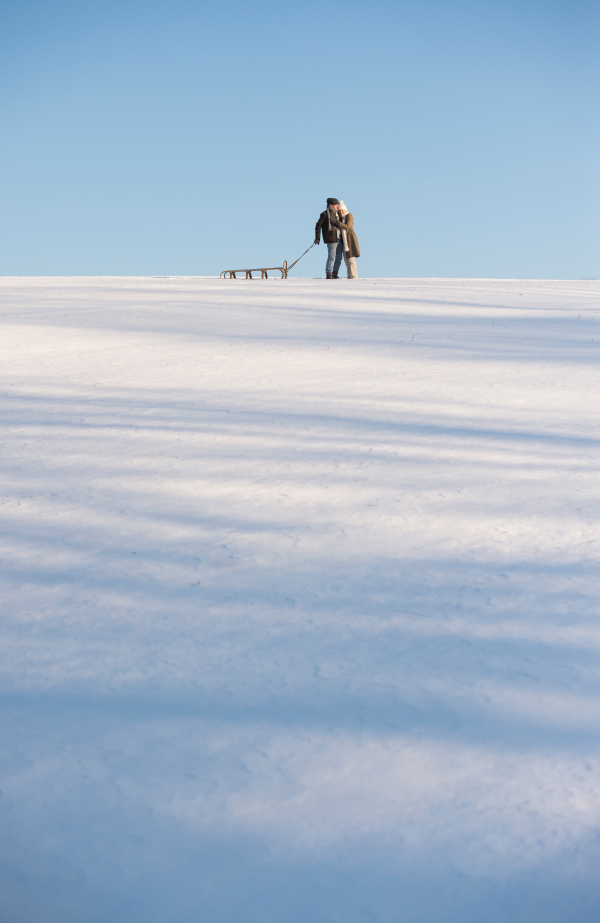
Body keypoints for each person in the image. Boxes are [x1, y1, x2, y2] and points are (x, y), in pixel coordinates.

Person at [314, 198, 345, 279]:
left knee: (339, 257)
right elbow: (318, 226)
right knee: (331, 256)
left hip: (339, 238)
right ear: (330, 205)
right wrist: (317, 237)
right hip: (331, 238)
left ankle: (335, 273)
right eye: (336, 205)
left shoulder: (337, 214)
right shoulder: (325, 214)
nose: (337, 206)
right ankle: (328, 273)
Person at [338, 201, 360, 278]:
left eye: (342, 210)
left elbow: (347, 226)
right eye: (340, 211)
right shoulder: (341, 218)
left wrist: (338, 223)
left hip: (350, 240)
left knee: (351, 259)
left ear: (345, 210)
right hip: (344, 242)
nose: (341, 212)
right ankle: (349, 276)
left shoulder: (349, 216)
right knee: (346, 260)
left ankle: (354, 276)